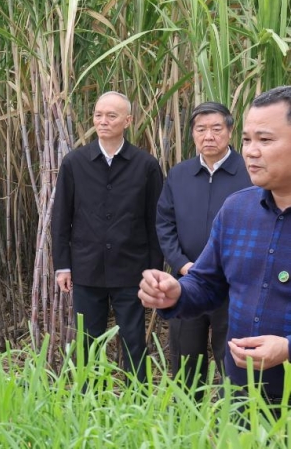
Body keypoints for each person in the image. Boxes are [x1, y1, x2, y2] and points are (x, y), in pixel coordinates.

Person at [140, 86, 291, 404]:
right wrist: (176, 292)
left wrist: (288, 348)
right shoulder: (237, 210)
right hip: (242, 393)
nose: (251, 151)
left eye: (265, 140)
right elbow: (208, 283)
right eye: (247, 140)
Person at [52, 91, 163, 382]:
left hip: (132, 268)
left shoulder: (146, 165)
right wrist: (62, 266)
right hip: (87, 267)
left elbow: (155, 222)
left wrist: (153, 270)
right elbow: (61, 217)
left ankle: (137, 397)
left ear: (128, 121)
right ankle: (88, 398)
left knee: (134, 339)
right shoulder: (75, 163)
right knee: (88, 340)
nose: (103, 121)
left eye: (111, 116)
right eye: (98, 115)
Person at [156, 102, 251, 396]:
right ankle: (187, 417)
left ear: (230, 131)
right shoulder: (179, 174)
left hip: (234, 286)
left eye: (216, 129)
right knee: (185, 363)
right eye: (201, 129)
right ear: (193, 135)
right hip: (188, 283)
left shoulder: (249, 173)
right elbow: (165, 224)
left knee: (233, 364)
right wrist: (183, 265)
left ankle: (235, 419)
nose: (208, 136)